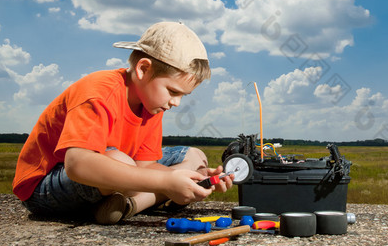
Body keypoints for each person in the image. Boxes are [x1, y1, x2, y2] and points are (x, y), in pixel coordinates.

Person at [12, 21, 232, 224]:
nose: (176, 102)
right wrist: (166, 183)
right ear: (143, 69)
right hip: (45, 188)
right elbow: (77, 164)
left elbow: (146, 166)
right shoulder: (98, 92)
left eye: (184, 95)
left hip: (107, 175)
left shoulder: (151, 104)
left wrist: (197, 180)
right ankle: (149, 196)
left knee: (195, 157)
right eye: (173, 91)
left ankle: (129, 205)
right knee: (120, 161)